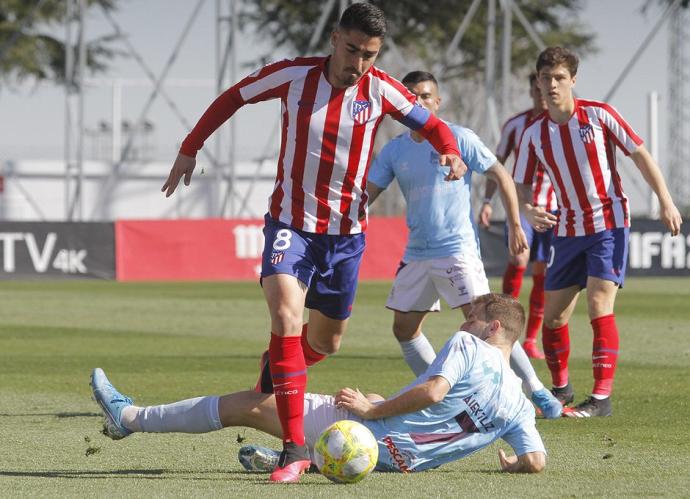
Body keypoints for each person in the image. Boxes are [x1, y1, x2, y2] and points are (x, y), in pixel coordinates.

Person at [159, 4, 467, 482]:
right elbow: (232, 97)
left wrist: (449, 150)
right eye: (351, 51)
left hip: (346, 236)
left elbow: (431, 124)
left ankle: (277, 366)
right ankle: (293, 448)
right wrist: (189, 146)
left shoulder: (381, 88)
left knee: (326, 341)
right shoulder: (293, 76)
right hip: (290, 225)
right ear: (333, 39)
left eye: (369, 55)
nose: (358, 64)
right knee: (285, 316)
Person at [90, 293, 546, 475]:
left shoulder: (470, 348)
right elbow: (537, 460)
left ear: (492, 328)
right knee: (356, 403)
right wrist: (513, 467)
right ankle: (308, 457)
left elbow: (433, 393)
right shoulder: (520, 405)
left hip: (367, 434)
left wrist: (370, 411)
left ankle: (129, 418)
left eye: (472, 318)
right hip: (395, 464)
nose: (465, 324)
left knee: (249, 404)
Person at [366, 71, 561, 419]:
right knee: (404, 329)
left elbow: (500, 174)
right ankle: (445, 393)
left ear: (437, 102)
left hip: (456, 249)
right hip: (417, 253)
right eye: (410, 96)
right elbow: (370, 192)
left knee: (488, 324)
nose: (418, 102)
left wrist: (516, 223)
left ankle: (535, 390)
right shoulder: (395, 150)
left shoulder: (459, 137)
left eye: (425, 96)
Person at [513, 46, 683, 417]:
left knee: (598, 303)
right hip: (568, 229)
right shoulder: (533, 134)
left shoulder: (600, 116)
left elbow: (640, 155)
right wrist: (527, 207)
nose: (552, 84)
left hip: (609, 223)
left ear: (573, 80)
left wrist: (666, 201)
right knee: (553, 316)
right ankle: (561, 391)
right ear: (538, 82)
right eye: (546, 78)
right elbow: (521, 184)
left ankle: (601, 399)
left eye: (559, 78)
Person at [478, 72, 555, 360]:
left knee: (542, 273)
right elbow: (495, 164)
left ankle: (531, 339)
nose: (543, 96)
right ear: (532, 91)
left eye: (547, 90)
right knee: (518, 259)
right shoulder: (516, 125)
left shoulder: (562, 125)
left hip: (553, 210)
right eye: (538, 90)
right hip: (523, 207)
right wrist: (486, 200)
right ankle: (508, 331)